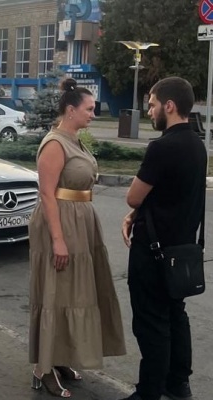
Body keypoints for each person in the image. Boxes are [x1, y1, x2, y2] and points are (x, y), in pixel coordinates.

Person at [28, 78, 126, 398]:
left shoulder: (75, 140)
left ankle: (60, 358)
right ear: (71, 110)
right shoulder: (55, 143)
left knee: (72, 294)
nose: (93, 114)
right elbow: (47, 193)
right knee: (54, 294)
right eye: (89, 109)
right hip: (60, 223)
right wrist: (58, 239)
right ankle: (43, 368)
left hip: (80, 223)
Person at [120, 77, 206, 400]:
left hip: (153, 253)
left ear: (169, 106)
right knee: (175, 316)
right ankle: (178, 383)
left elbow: (133, 196)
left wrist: (134, 211)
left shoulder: (161, 147)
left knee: (151, 323)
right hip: (183, 251)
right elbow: (174, 194)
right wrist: (137, 213)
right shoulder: (198, 145)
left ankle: (149, 392)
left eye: (153, 104)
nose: (150, 111)